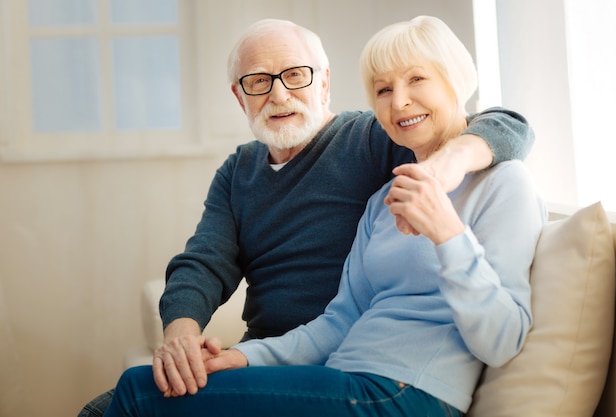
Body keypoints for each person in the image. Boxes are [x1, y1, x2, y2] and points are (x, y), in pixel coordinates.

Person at [77, 18, 534, 417]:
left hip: (374, 381)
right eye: (258, 81)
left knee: (138, 396)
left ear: (325, 83)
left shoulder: (373, 140)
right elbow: (205, 262)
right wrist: (190, 340)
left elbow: (503, 125)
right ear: (240, 98)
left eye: (296, 75)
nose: (279, 94)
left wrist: (445, 170)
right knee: (110, 404)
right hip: (291, 356)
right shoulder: (250, 174)